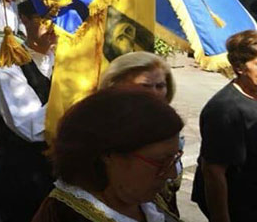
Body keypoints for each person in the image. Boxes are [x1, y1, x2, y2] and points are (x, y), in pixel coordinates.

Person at [32, 89, 183, 222]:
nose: (171, 173)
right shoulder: (62, 215)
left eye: (174, 158)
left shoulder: (151, 200)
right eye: (160, 161)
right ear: (108, 154)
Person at [191, 30, 257, 222]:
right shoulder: (225, 110)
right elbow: (214, 171)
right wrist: (221, 218)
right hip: (242, 206)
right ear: (239, 67)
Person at [0, 0, 56, 222]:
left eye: (56, 20)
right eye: (43, 19)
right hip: (18, 176)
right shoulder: (8, 69)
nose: (52, 27)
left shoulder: (60, 61)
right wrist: (73, 90)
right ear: (24, 19)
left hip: (52, 175)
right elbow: (32, 128)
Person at [98, 51, 181, 217]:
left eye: (160, 86)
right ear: (115, 85)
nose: (154, 93)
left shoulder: (168, 127)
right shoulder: (101, 127)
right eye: (145, 86)